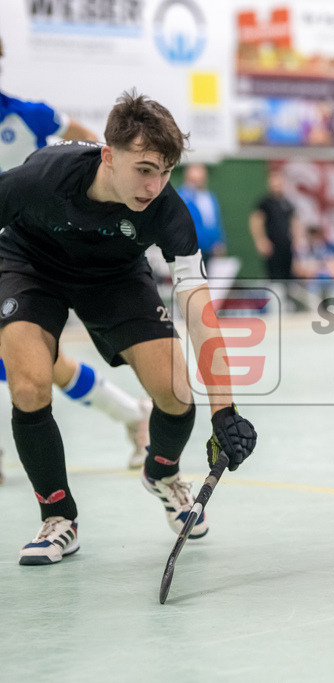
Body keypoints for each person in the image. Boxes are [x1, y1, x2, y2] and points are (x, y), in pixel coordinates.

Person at [0, 90, 257, 565]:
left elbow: (199, 309)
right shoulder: (38, 179)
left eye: (166, 171)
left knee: (176, 390)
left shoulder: (169, 211)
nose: (154, 186)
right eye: (143, 169)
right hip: (31, 268)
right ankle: (58, 517)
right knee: (30, 384)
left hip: (115, 278)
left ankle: (162, 472)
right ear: (108, 156)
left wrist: (224, 410)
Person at [0, 35, 151, 478]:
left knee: (39, 364)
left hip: (22, 253)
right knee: (37, 365)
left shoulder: (31, 115)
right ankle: (132, 413)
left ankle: (134, 413)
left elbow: (87, 143)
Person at [249, 169, 302, 281]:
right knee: (274, 275)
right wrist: (260, 241)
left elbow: (294, 222)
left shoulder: (287, 203)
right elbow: (256, 221)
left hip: (286, 245)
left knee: (287, 275)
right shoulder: (265, 203)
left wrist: (297, 240)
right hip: (272, 246)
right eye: (274, 180)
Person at [177, 163, 224, 264]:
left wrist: (219, 242)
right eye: (194, 180)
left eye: (201, 179)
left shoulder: (209, 197)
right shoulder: (181, 197)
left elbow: (215, 222)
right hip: (188, 250)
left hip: (209, 250)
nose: (198, 183)